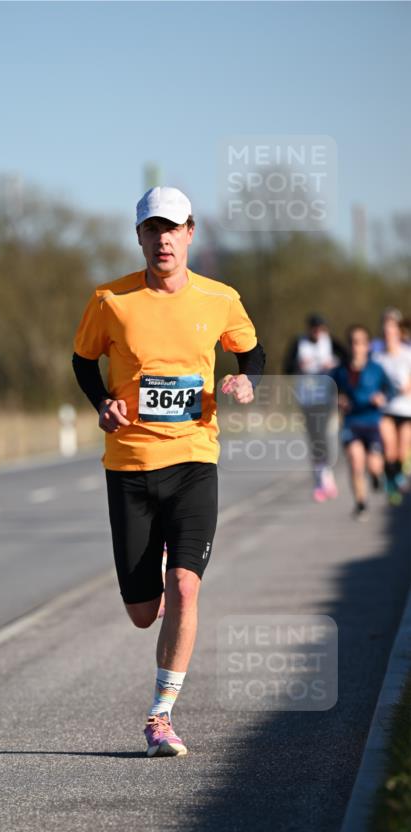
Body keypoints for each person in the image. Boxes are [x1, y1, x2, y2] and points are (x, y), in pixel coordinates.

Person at [72, 186, 265, 758]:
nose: (162, 239)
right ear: (139, 237)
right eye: (151, 229)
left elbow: (250, 350)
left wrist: (246, 379)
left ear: (190, 232)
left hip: (193, 460)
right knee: (141, 612)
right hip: (129, 465)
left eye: (172, 228)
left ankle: (161, 716)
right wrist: (102, 402)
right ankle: (152, 563)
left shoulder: (219, 298)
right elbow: (83, 360)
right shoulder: (111, 299)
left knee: (184, 587)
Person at [330, 325, 394, 520]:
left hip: (372, 421)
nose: (355, 347)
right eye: (352, 342)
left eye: (359, 342)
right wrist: (338, 399)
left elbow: (389, 390)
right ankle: (361, 504)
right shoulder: (340, 370)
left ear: (367, 345)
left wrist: (382, 397)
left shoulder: (377, 369)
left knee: (374, 466)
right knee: (356, 463)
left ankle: (376, 476)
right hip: (352, 422)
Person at [284, 314, 346, 502]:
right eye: (315, 329)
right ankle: (321, 476)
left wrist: (333, 364)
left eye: (321, 329)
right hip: (306, 397)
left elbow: (348, 360)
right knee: (313, 436)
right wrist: (298, 365)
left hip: (326, 396)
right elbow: (286, 368)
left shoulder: (330, 342)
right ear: (309, 329)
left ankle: (324, 478)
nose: (318, 332)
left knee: (320, 434)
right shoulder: (299, 343)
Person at [372, 308, 411, 503]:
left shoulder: (408, 353)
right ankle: (390, 484)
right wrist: (376, 395)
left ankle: (396, 474)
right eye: (385, 329)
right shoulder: (378, 357)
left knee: (401, 451)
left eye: (392, 329)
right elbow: (372, 381)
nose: (388, 333)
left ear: (398, 331)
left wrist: (408, 386)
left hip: (406, 408)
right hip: (386, 409)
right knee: (389, 448)